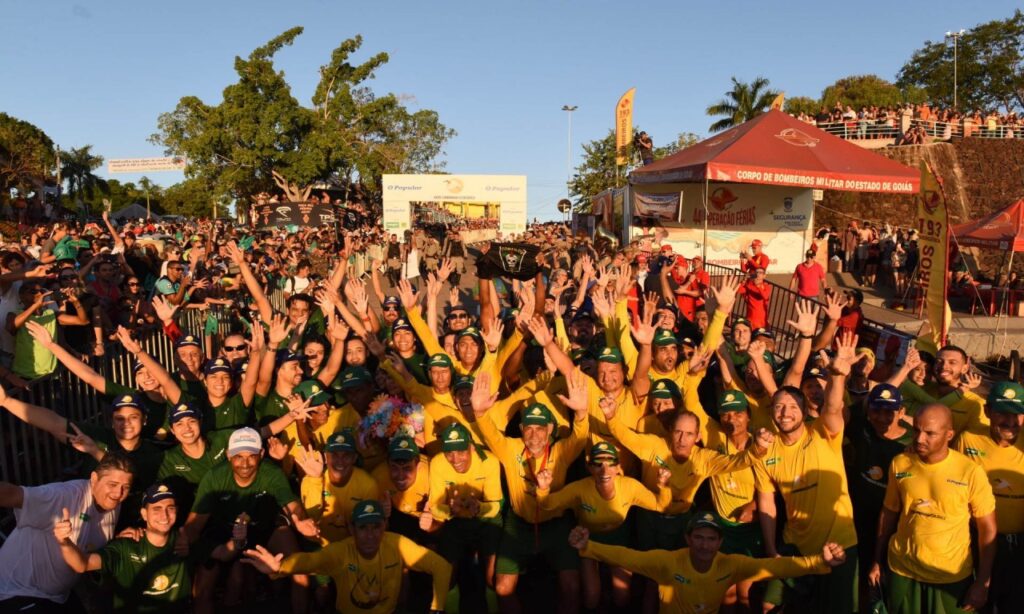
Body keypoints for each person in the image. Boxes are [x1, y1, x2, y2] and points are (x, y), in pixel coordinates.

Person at [754, 331, 860, 613]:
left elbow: (834, 407)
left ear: (804, 411)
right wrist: (771, 550)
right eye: (778, 407)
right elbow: (767, 503)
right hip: (794, 546)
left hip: (839, 543)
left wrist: (838, 376)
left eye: (791, 407)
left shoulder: (824, 433)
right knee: (769, 605)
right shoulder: (767, 451)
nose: (785, 412)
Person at [568, 512, 848, 614]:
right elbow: (626, 556)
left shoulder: (732, 565)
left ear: (719, 543)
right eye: (699, 537)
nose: (704, 544)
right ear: (688, 539)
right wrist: (588, 547)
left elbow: (776, 567)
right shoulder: (666, 562)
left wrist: (817, 562)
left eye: (710, 539)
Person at [869, 404, 997, 613]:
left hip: (950, 576)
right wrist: (877, 560)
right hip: (902, 570)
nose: (919, 439)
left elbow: (987, 530)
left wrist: (983, 582)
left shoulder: (970, 472)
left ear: (949, 435)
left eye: (930, 433)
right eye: (917, 430)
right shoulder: (900, 463)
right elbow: (889, 512)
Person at [242, 500, 452, 614]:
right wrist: (279, 568)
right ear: (352, 529)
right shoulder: (341, 552)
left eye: (376, 527)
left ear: (385, 526)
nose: (370, 535)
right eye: (363, 528)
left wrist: (437, 608)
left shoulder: (397, 543)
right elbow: (309, 562)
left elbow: (442, 567)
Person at [0, 451, 134, 612]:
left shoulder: (114, 504)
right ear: (94, 479)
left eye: (125, 487)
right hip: (16, 590)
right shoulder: (63, 495)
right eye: (112, 484)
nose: (118, 493)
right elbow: (12, 494)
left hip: (58, 595)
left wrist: (117, 541)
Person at [52, 483, 198, 613]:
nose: (164, 515)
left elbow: (218, 553)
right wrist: (64, 542)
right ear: (144, 514)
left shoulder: (184, 541)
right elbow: (82, 564)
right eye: (157, 509)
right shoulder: (125, 547)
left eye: (170, 508)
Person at [953, 381, 1024, 612]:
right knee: (976, 602)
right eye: (1002, 413)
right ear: (987, 412)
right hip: (977, 543)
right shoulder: (968, 440)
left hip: (1019, 548)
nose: (1010, 422)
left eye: (1017, 414)